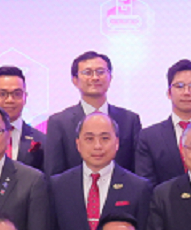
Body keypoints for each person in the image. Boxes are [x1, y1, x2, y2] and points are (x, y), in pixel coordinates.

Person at [45, 112, 150, 230]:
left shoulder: (138, 188)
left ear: (117, 143)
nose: (97, 146)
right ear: (78, 144)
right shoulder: (57, 185)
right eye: (89, 139)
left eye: (105, 138)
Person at [43, 51, 150, 181]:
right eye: (87, 73)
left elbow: (137, 172)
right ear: (75, 80)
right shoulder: (59, 122)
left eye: (100, 72)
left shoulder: (129, 120)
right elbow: (54, 174)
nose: (95, 78)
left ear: (110, 77)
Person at [137, 60, 191, 183]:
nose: (186, 92)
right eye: (180, 86)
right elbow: (146, 184)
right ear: (169, 93)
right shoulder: (149, 137)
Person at [0, 65, 49, 173]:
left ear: (25, 97)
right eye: (3, 94)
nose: (10, 100)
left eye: (17, 94)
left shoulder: (42, 140)